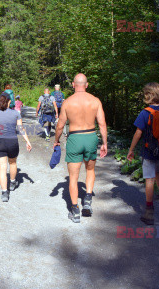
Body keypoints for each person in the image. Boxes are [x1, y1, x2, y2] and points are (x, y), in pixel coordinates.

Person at [54, 74, 107, 223]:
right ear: (87, 84)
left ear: (73, 84)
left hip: (75, 138)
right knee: (90, 170)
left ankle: (75, 210)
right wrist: (104, 143)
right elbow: (102, 124)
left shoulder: (67, 102)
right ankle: (88, 200)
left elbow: (60, 125)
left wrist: (56, 140)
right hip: (90, 137)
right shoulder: (95, 101)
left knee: (73, 177)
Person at [126, 82, 159, 225]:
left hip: (150, 151)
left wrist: (131, 150)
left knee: (149, 179)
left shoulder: (146, 112)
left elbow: (138, 132)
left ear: (148, 95)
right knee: (158, 173)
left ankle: (149, 213)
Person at [0, 92, 32, 202]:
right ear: (10, 102)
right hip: (12, 142)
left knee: (2, 168)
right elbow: (21, 129)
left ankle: (4, 192)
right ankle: (13, 182)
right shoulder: (16, 113)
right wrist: (27, 141)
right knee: (12, 163)